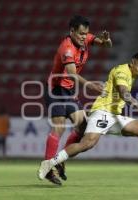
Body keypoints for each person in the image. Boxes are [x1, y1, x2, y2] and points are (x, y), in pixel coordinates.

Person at [38, 52, 138, 182]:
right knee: (87, 144)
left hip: (114, 116)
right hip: (102, 112)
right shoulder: (122, 72)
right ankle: (49, 163)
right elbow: (123, 92)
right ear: (132, 63)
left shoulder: (131, 74)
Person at [43, 15, 112, 185]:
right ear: (71, 31)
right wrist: (90, 85)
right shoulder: (66, 48)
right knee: (58, 128)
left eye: (85, 33)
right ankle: (47, 168)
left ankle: (60, 160)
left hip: (70, 91)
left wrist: (106, 40)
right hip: (57, 90)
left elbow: (106, 45)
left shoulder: (86, 38)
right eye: (80, 33)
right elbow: (72, 74)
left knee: (82, 127)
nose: (84, 36)